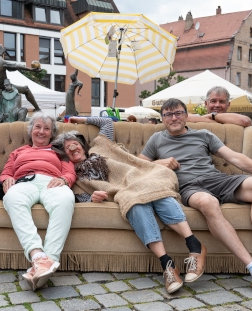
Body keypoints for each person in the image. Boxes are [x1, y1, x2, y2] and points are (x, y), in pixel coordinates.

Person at [139, 98, 252, 301]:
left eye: (178, 113)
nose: (174, 117)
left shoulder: (203, 134)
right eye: (168, 114)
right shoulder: (157, 139)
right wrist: (158, 162)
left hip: (217, 180)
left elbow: (234, 157)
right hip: (190, 188)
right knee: (209, 203)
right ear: (162, 119)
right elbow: (137, 165)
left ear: (186, 115)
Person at [53, 117, 207, 294]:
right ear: (65, 155)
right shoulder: (75, 176)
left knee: (156, 190)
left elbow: (106, 123)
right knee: (134, 205)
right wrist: (92, 198)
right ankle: (168, 266)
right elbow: (78, 197)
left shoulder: (100, 146)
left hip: (141, 177)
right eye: (67, 148)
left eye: (75, 144)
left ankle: (195, 246)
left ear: (82, 145)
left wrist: (80, 118)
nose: (72, 149)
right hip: (124, 192)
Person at [0, 111, 76, 291]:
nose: (41, 131)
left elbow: (69, 171)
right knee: (11, 197)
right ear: (31, 130)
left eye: (46, 128)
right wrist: (7, 179)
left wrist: (65, 180)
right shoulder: (18, 151)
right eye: (38, 127)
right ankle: (37, 254)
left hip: (52, 182)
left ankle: (44, 263)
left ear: (51, 133)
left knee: (65, 199)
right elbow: (6, 172)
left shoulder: (58, 151)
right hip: (25, 182)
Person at [186, 86, 252, 127]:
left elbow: (246, 121)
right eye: (213, 101)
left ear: (228, 105)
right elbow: (183, 118)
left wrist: (211, 116)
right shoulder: (198, 117)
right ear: (206, 104)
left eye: (222, 102)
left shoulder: (234, 120)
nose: (217, 105)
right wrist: (213, 120)